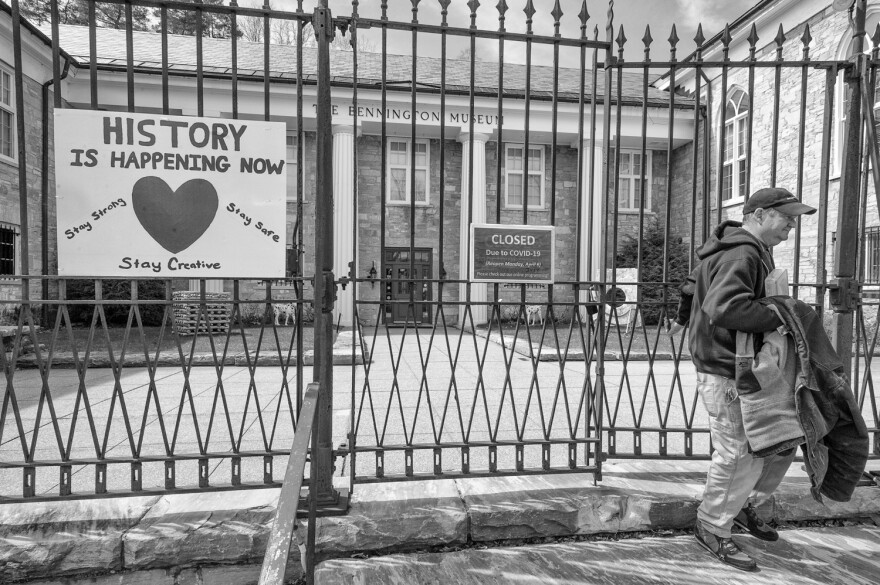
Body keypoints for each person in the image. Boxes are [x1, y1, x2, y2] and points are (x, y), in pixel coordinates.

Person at [668, 187, 817, 572]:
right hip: (728, 368)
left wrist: (683, 317)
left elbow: (692, 282)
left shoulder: (731, 245)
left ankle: (742, 506)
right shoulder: (744, 251)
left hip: (734, 364)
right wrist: (785, 313)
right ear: (761, 214)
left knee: (778, 441)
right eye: (787, 218)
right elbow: (726, 307)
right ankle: (712, 525)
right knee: (739, 452)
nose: (791, 226)